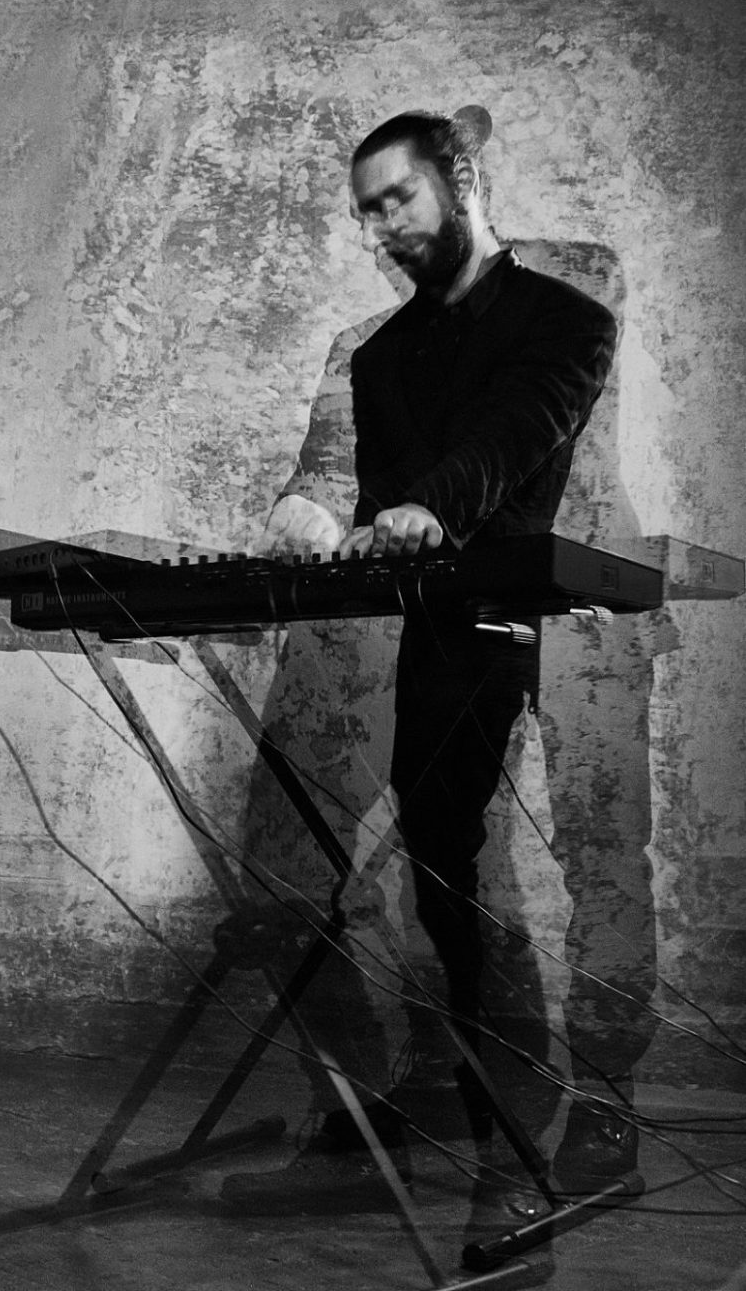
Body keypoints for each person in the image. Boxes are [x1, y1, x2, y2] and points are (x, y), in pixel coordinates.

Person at [219, 108, 621, 1247]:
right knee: (425, 860)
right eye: (365, 214)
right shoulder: (381, 357)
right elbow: (380, 507)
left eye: (396, 200)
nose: (379, 230)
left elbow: (512, 437)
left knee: (457, 860)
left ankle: (515, 1147)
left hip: (524, 620)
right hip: (436, 628)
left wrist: (428, 509)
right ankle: (436, 1108)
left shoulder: (568, 320)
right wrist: (327, 523)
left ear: (462, 179)